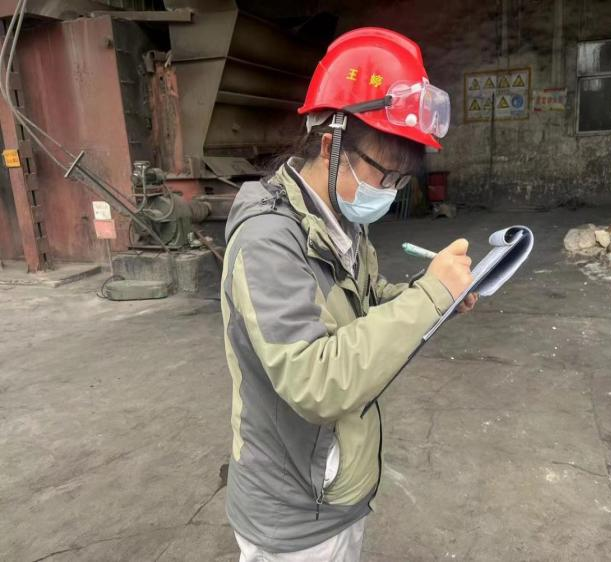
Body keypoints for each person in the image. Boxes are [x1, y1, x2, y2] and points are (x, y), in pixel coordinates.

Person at [220, 27, 477, 562]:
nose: (389, 192)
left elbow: (366, 302)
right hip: (294, 517)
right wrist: (428, 297)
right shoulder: (268, 242)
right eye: (385, 174)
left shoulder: (340, 222)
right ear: (330, 144)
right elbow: (315, 381)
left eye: (401, 181)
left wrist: (435, 298)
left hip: (336, 494)